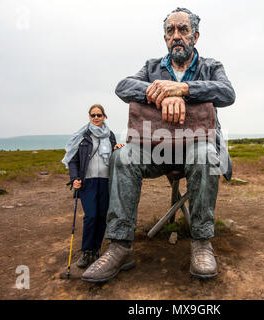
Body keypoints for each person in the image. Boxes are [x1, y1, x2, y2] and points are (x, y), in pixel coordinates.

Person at [81, 8, 235, 283]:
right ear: (165, 38)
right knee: (123, 158)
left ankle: (201, 242)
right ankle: (120, 246)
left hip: (196, 147)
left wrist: (183, 90)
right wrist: (161, 95)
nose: (176, 35)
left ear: (195, 36)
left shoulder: (211, 67)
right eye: (170, 31)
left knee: (206, 156)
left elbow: (226, 93)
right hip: (156, 148)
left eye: (183, 30)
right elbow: (123, 86)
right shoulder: (152, 67)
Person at [62, 104, 124, 269]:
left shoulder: (109, 135)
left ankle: (96, 249)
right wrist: (74, 177)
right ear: (89, 117)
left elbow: (112, 156)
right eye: (93, 115)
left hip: (105, 181)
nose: (96, 118)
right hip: (87, 181)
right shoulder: (83, 135)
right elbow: (73, 160)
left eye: (99, 115)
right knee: (91, 216)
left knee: (102, 216)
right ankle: (86, 251)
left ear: (105, 116)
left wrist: (116, 148)